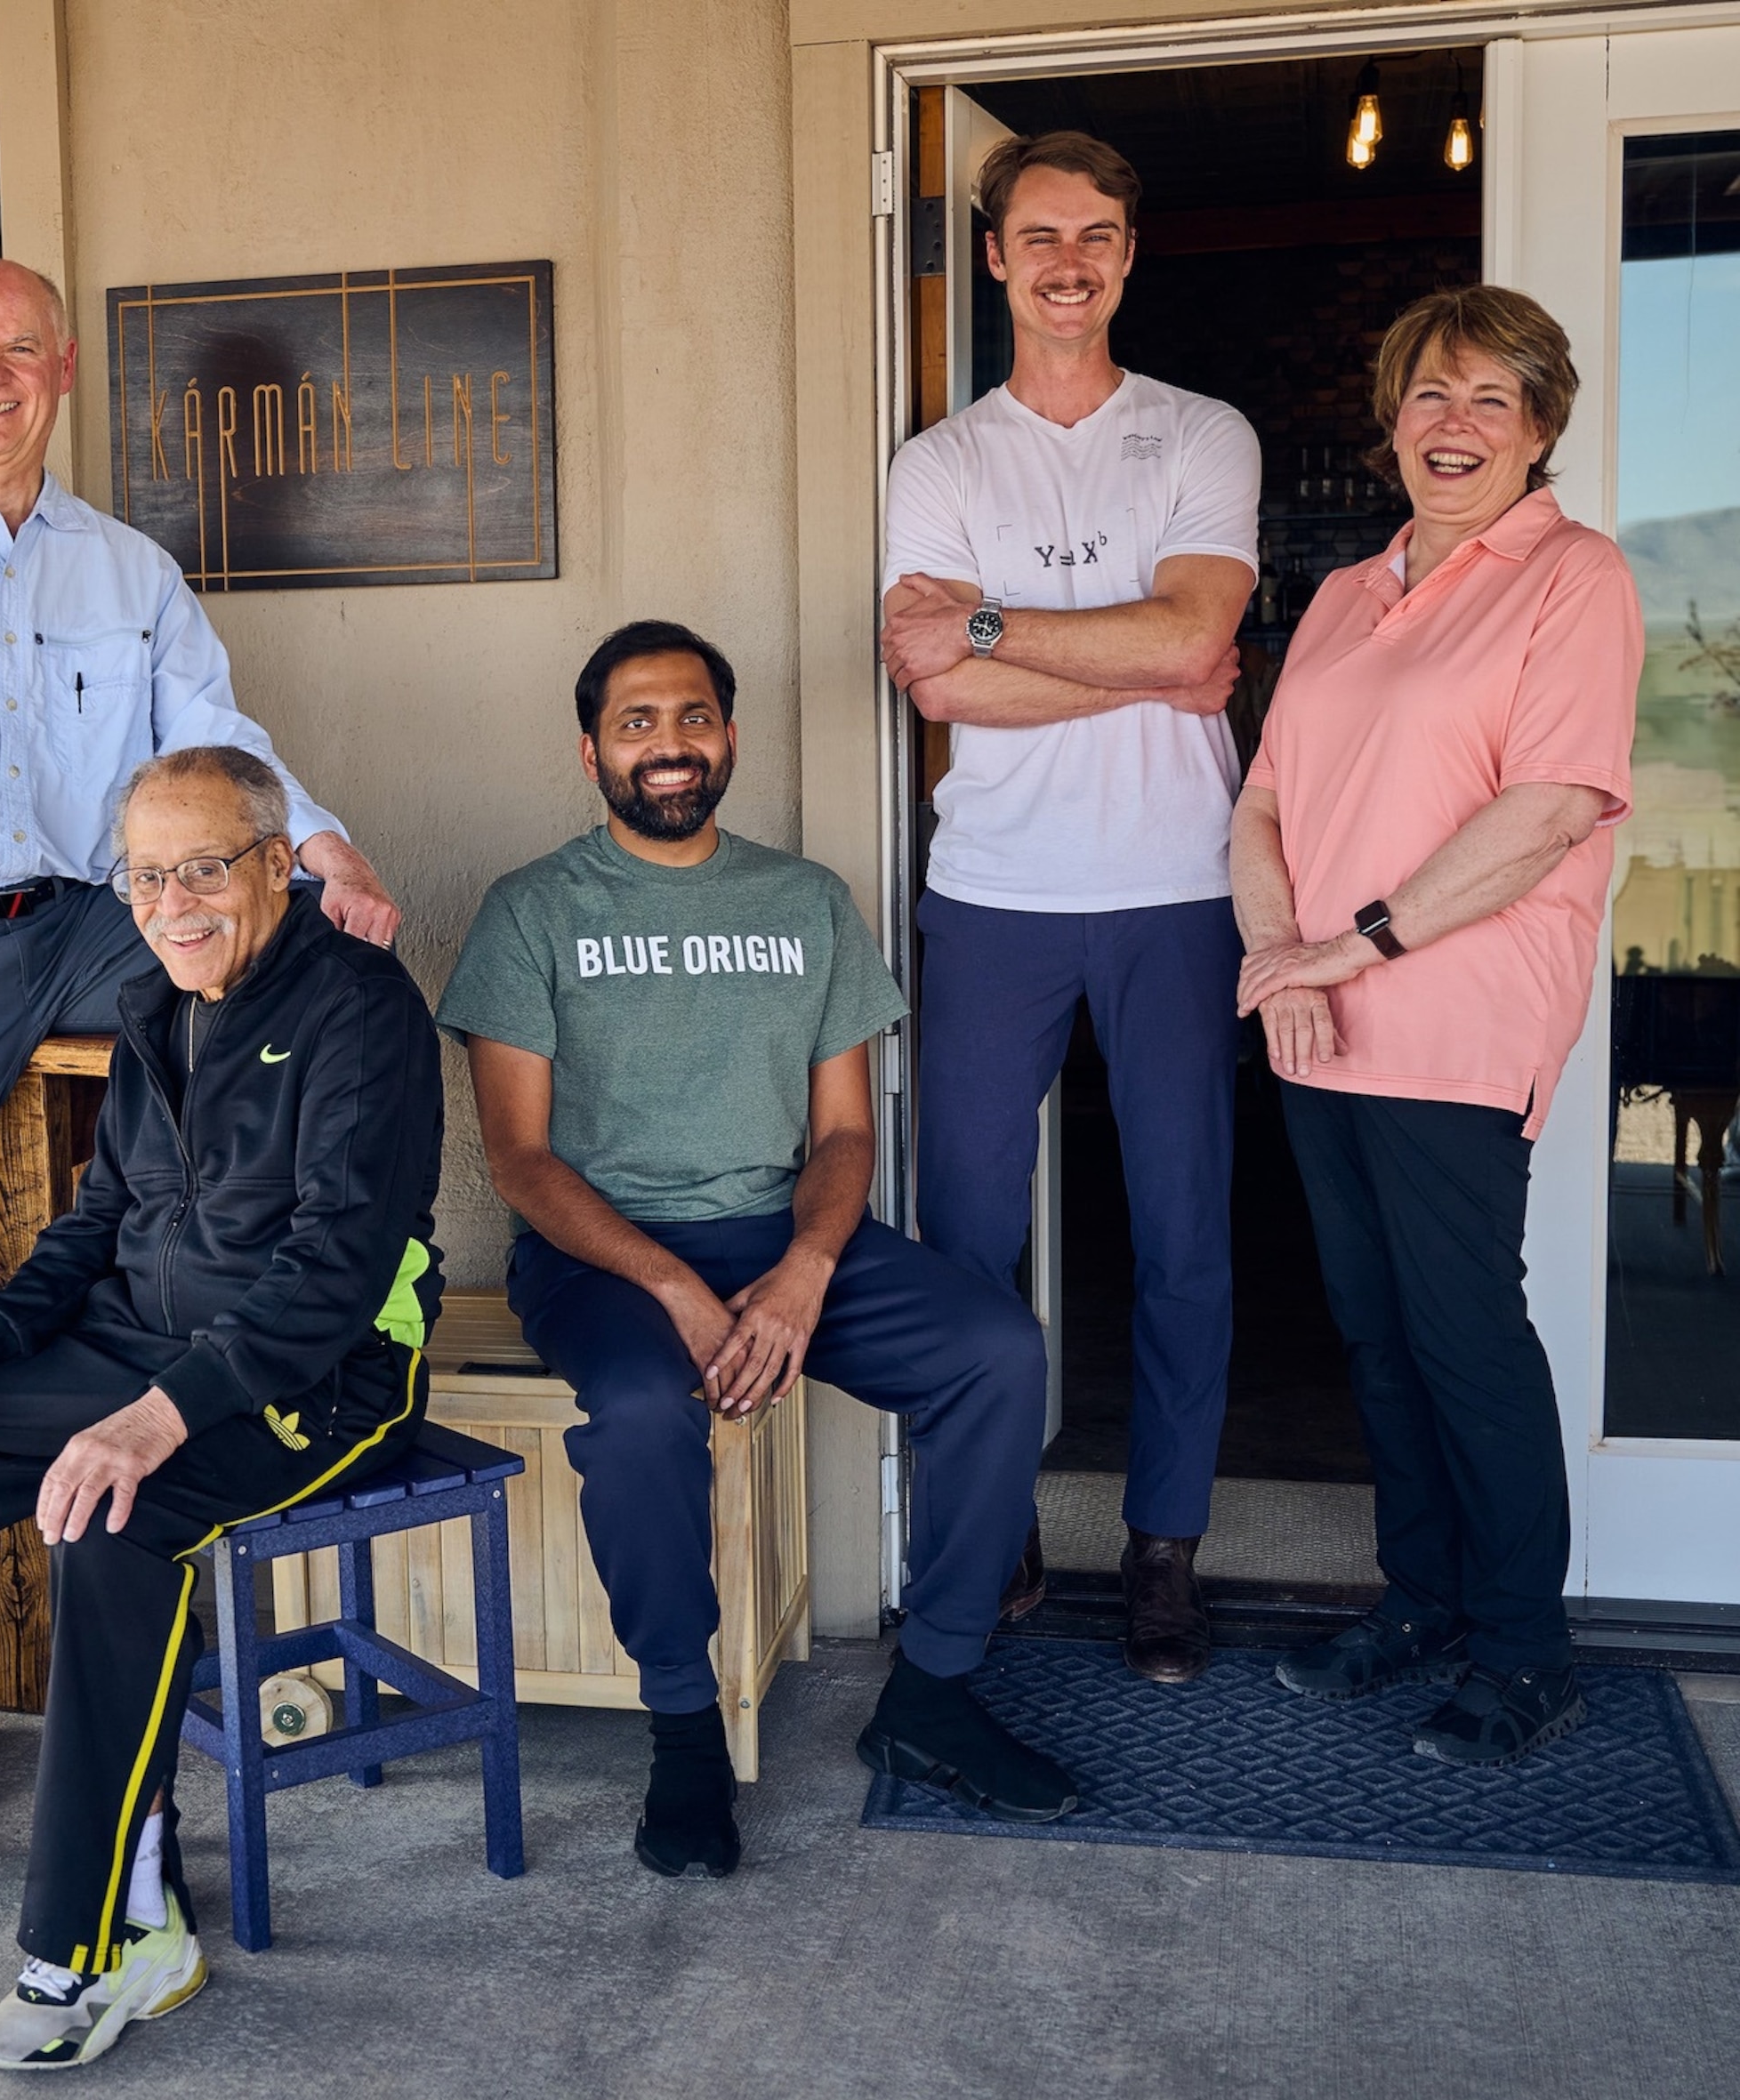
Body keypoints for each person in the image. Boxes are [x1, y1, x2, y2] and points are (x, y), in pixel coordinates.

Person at [0, 744, 443, 2072]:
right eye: (147, 874)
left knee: (115, 1520)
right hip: (133, 1344)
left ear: (279, 863)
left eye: (205, 867)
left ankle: (116, 1935)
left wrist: (160, 1416)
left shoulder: (360, 1009)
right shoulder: (152, 1003)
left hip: (316, 1374)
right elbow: (96, 1225)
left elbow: (335, 1271)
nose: (174, 902)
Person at [439, 619, 1075, 1871]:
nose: (667, 745)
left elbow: (844, 1135)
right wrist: (673, 1281)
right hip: (601, 1254)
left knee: (998, 1350)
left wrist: (804, 1268)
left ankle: (934, 1692)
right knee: (636, 1408)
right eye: (637, 723)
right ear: (591, 753)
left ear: (728, 737)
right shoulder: (532, 912)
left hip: (782, 1235)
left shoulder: (806, 901)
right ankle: (682, 1725)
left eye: (691, 718)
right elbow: (521, 1160)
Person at [0, 256, 399, 1420]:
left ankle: (310, 1294)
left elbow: (213, 743)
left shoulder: (127, 567)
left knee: (311, 965)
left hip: (96, 921)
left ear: (65, 370)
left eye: (20, 350)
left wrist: (321, 847)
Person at [1233, 286, 1636, 1766]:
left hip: (1457, 1011)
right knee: (1373, 1328)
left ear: (1538, 430)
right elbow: (1265, 798)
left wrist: (1360, 941)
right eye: (1428, 396)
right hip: (1321, 1016)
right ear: (1391, 419)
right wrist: (1283, 954)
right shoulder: (1346, 593)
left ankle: (1528, 1648)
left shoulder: (1575, 578)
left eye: (1489, 401)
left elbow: (1548, 809)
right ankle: (1422, 1599)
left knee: (1463, 1329)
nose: (1452, 426)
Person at [877, 130, 1259, 1684]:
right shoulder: (942, 461)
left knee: (1184, 1237)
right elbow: (933, 678)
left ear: (1128, 252)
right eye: (1039, 235)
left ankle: (1164, 1552)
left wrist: (993, 627)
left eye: (1097, 233)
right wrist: (1128, 652)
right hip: (994, 893)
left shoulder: (1199, 435)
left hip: (1177, 885)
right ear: (993, 257)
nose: (1068, 261)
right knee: (968, 1240)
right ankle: (990, 1526)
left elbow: (1199, 636)